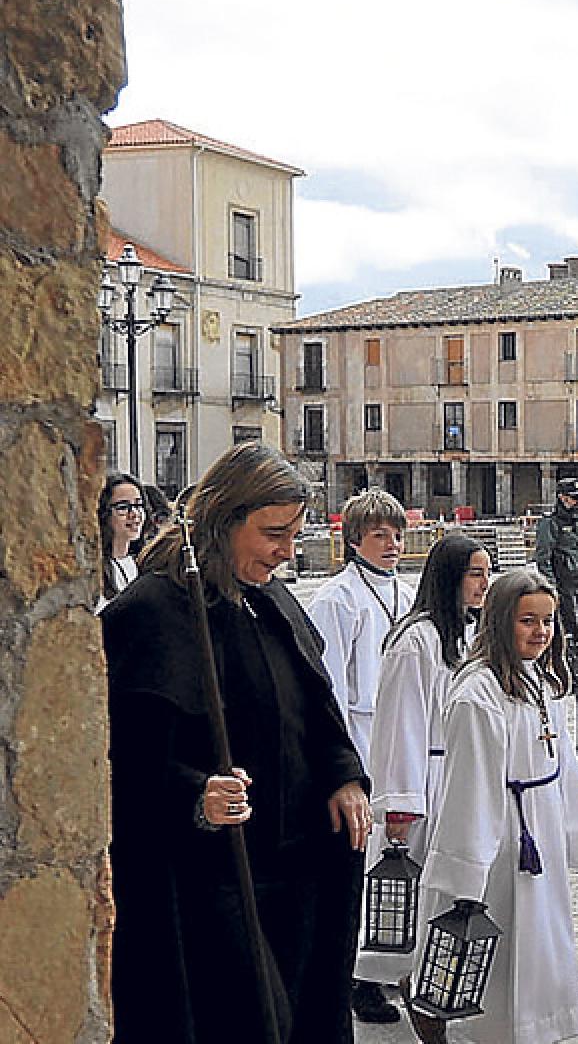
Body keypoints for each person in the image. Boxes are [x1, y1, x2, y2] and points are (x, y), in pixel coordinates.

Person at [101, 441, 371, 1044]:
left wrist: (343, 773)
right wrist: (195, 795)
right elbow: (124, 756)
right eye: (273, 532)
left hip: (297, 862)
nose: (287, 550)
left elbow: (313, 706)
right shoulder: (149, 612)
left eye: (294, 533)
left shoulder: (271, 598)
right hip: (212, 879)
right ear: (223, 521)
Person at [412, 568, 578, 1044]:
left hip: (539, 830)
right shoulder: (477, 694)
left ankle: (536, 1031)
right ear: (500, 620)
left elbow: (561, 761)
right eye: (528, 620)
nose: (541, 632)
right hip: (502, 839)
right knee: (502, 949)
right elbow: (469, 789)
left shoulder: (538, 680)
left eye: (548, 621)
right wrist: (467, 878)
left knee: (543, 940)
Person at [356, 532, 493, 1004]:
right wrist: (400, 801)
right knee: (401, 888)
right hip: (424, 777)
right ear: (451, 576)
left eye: (487, 573)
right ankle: (371, 978)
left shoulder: (470, 634)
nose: (484, 583)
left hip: (455, 774)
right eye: (476, 573)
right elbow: (400, 725)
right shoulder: (416, 640)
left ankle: (420, 975)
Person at [305, 488, 409, 766]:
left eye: (398, 536)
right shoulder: (337, 599)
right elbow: (330, 683)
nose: (393, 545)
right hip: (360, 731)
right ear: (354, 540)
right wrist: (341, 757)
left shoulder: (409, 595)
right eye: (380, 536)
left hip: (403, 728)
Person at [534, 477, 578, 651]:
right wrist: (551, 587)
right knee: (568, 627)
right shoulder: (550, 523)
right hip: (562, 585)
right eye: (574, 498)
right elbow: (543, 558)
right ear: (562, 498)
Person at [97, 471, 147, 609]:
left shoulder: (144, 564)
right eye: (123, 507)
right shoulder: (95, 570)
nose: (134, 514)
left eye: (138, 505)